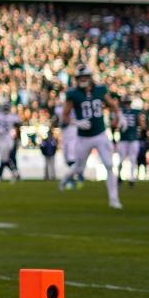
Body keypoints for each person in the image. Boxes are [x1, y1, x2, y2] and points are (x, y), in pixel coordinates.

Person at [58, 65, 122, 209]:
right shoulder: (73, 94)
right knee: (78, 168)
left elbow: (112, 104)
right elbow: (64, 116)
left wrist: (119, 116)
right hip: (83, 137)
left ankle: (114, 199)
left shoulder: (100, 90)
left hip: (100, 134)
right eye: (80, 77)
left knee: (109, 165)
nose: (82, 80)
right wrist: (77, 122)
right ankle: (65, 179)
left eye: (84, 77)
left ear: (90, 77)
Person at [116, 96, 146, 187]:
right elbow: (143, 125)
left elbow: (114, 124)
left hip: (124, 139)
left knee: (121, 160)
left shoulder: (121, 112)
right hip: (133, 139)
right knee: (132, 159)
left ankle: (120, 178)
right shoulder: (135, 112)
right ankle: (131, 179)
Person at [0, 100, 21, 184]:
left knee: (4, 159)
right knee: (5, 159)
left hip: (6, 139)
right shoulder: (12, 116)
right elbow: (18, 124)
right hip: (6, 139)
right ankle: (15, 172)